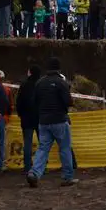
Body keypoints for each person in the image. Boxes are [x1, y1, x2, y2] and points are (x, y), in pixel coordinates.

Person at [26, 57, 77, 187]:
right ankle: (67, 177)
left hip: (43, 121)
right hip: (60, 120)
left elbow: (34, 102)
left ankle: (34, 173)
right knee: (64, 148)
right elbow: (69, 102)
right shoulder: (61, 83)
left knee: (42, 148)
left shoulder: (39, 83)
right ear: (58, 68)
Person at [16, 65, 42, 173]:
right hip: (40, 117)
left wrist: (20, 114)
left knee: (27, 143)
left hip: (26, 118)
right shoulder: (41, 84)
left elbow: (19, 101)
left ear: (30, 73)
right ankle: (42, 166)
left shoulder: (24, 85)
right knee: (43, 144)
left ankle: (27, 167)